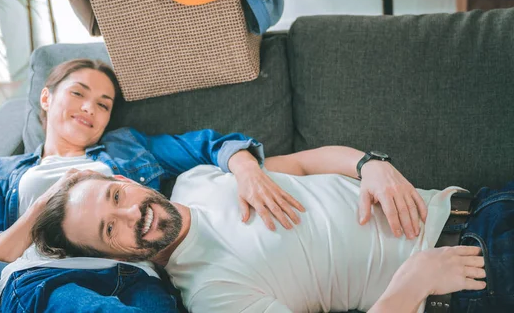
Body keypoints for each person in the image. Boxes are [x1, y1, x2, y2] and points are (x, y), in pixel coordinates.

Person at [0, 58, 313, 313]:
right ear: (46, 98)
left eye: (104, 104)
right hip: (47, 278)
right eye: (78, 93)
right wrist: (45, 204)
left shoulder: (126, 148)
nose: (90, 107)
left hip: (133, 274)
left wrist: (248, 170)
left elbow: (209, 145)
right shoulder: (3, 172)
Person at [31, 148, 513, 313]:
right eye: (108, 230)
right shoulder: (211, 295)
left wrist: (369, 165)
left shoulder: (198, 177)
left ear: (125, 181)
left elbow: (305, 161)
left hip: (481, 202)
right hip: (469, 276)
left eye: (117, 199)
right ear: (114, 256)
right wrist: (417, 281)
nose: (131, 216)